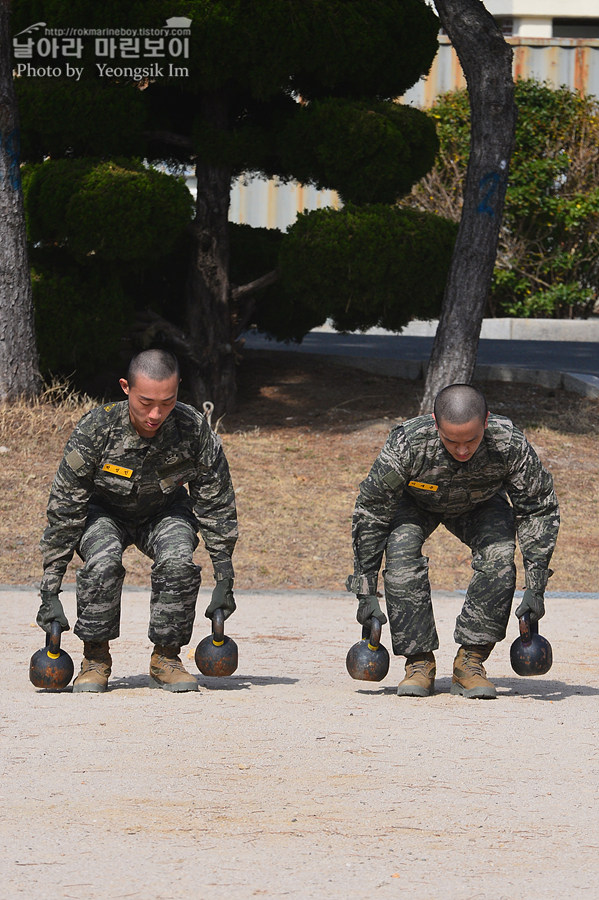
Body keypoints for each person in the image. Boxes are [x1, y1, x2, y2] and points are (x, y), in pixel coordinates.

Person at [36, 349, 238, 694]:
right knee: (103, 563)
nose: (156, 414)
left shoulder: (194, 430)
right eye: (145, 402)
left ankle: (166, 659)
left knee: (177, 562)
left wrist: (224, 577)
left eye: (167, 401)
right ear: (126, 387)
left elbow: (215, 503)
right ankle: (95, 659)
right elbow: (66, 508)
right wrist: (50, 588)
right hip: (104, 513)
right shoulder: (96, 430)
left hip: (164, 511)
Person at [346, 383, 559, 699]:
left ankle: (470, 662)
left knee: (500, 557)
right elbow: (372, 511)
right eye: (451, 440)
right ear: (435, 423)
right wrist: (365, 590)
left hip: (481, 503)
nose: (462, 450)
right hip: (416, 502)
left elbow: (537, 506)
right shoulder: (407, 443)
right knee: (402, 559)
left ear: (485, 422)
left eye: (471, 440)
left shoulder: (508, 442)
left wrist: (536, 585)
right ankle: (418, 664)